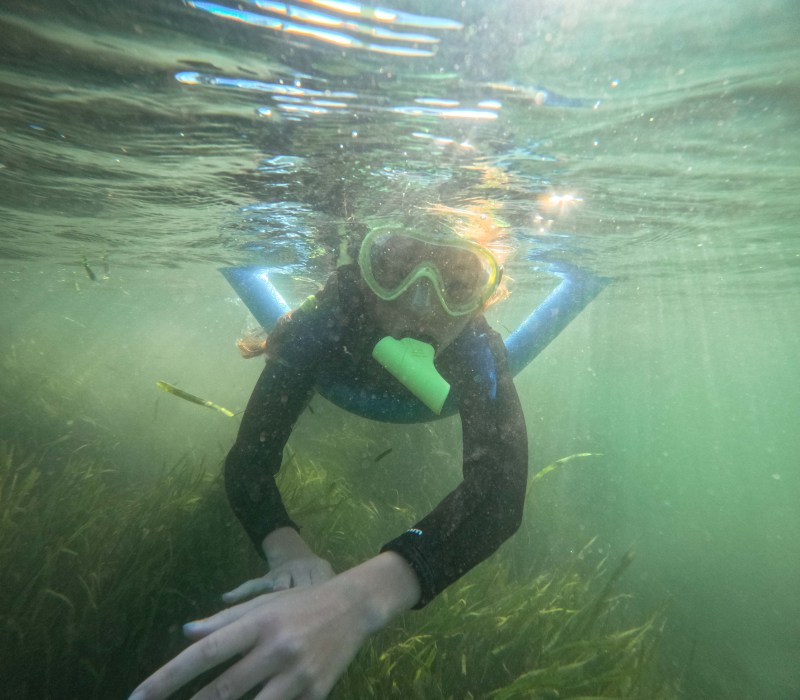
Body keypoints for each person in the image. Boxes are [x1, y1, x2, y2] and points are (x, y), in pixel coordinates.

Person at [129, 220, 528, 700]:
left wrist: (356, 601)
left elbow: (500, 494)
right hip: (337, 362)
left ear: (484, 298)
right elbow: (249, 462)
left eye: (458, 283)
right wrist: (286, 548)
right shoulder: (326, 320)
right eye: (395, 269)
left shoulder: (475, 347)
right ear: (363, 272)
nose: (422, 303)